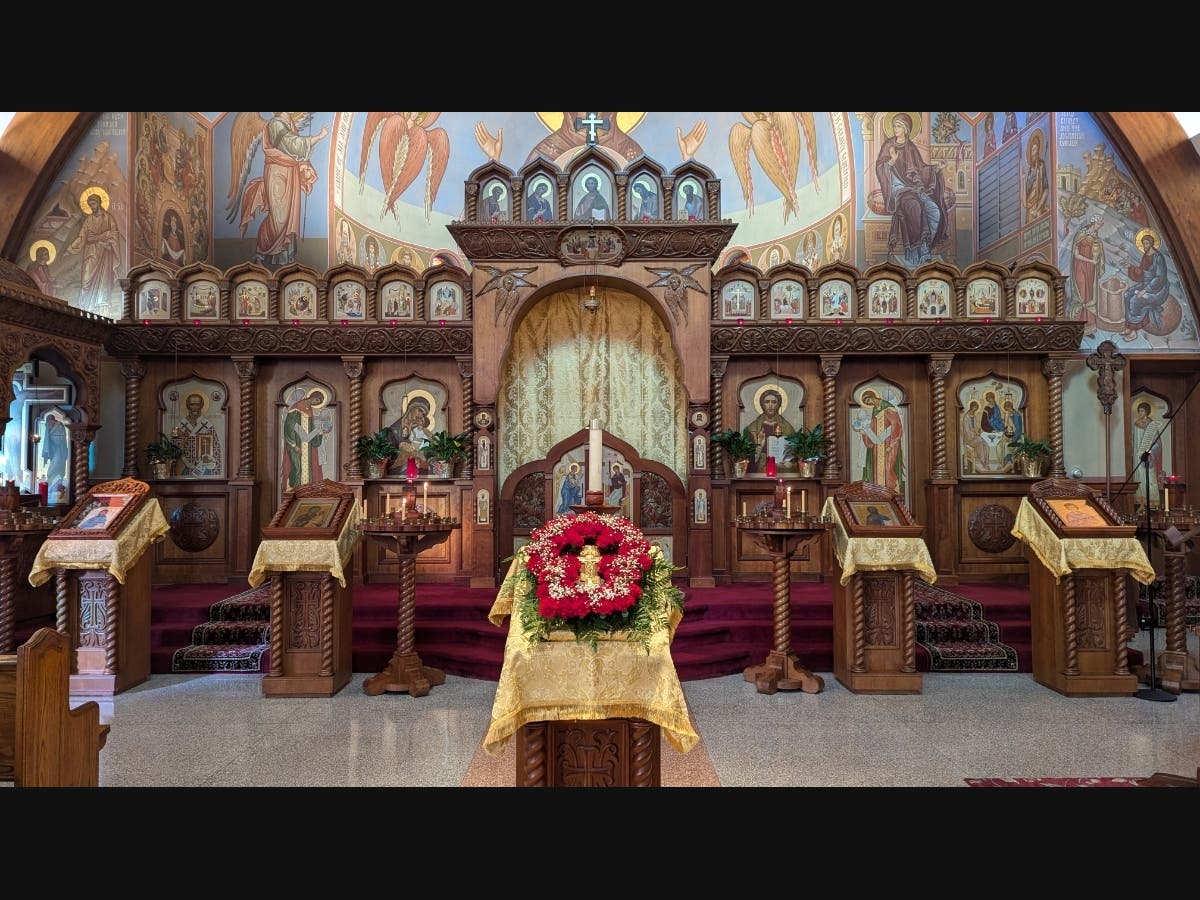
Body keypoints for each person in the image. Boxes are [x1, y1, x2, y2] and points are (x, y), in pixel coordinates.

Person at [226, 112, 330, 267]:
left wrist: (305, 169)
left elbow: (296, 153)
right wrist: (318, 137)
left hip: (291, 172)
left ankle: (284, 258)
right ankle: (260, 252)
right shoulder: (275, 124)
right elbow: (292, 145)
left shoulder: (290, 124)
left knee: (289, 216)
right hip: (277, 173)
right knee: (278, 217)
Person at [874, 113, 950, 267]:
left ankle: (926, 244)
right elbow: (879, 168)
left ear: (906, 129)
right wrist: (891, 162)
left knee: (934, 209)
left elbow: (921, 168)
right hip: (897, 190)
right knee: (915, 206)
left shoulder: (910, 147)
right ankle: (919, 251)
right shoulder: (888, 146)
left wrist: (936, 168)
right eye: (894, 126)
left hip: (914, 188)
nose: (895, 129)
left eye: (898, 126)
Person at [66, 189, 123, 316]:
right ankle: (84, 307)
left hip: (104, 255)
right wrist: (70, 248)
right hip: (91, 253)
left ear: (99, 203)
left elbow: (113, 234)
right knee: (85, 281)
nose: (91, 207)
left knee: (103, 281)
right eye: (89, 204)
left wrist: (98, 238)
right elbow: (82, 237)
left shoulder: (108, 218)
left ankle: (101, 309)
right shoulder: (88, 220)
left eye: (93, 204)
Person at [1122, 229, 1170, 341]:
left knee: (1134, 300)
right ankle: (1128, 326)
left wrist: (1145, 290)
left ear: (1152, 243)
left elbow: (1160, 277)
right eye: (1143, 243)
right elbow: (1142, 273)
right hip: (1145, 284)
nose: (1144, 246)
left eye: (1146, 243)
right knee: (1127, 294)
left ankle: (1134, 331)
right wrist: (1130, 267)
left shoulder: (1158, 257)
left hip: (1158, 289)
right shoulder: (1145, 255)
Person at [854, 389, 905, 494]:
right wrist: (864, 433)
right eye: (867, 403)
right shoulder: (875, 410)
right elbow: (873, 428)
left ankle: (891, 492)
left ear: (873, 396)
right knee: (876, 469)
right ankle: (878, 494)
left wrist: (891, 445)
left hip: (889, 443)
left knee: (888, 467)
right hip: (878, 446)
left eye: (869, 400)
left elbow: (897, 426)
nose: (869, 403)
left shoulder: (889, 408)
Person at [281, 389, 330, 492]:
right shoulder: (296, 408)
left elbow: (311, 433)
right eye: (316, 400)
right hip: (296, 444)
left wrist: (321, 433)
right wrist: (294, 445)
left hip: (307, 447)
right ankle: (293, 492)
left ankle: (306, 492)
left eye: (318, 403)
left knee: (309, 469)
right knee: (297, 467)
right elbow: (288, 427)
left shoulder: (310, 411)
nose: (316, 403)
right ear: (312, 396)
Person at [1068, 215, 1105, 336]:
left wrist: (1097, 257)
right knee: (1082, 293)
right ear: (1093, 223)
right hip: (1080, 266)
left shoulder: (1096, 238)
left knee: (1089, 294)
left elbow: (1098, 255)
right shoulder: (1081, 234)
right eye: (1098, 224)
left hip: (1091, 268)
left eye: (1100, 225)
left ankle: (1089, 326)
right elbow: (1076, 255)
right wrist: (1091, 261)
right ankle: (1077, 324)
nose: (1099, 227)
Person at [171, 392, 221, 477]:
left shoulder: (208, 425)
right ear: (188, 406)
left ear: (201, 406)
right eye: (192, 404)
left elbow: (215, 447)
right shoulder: (180, 425)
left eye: (197, 405)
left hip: (202, 467)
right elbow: (174, 447)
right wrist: (183, 441)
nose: (195, 407)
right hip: (183, 465)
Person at [746, 389, 796, 472]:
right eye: (767, 402)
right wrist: (759, 446)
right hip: (759, 469)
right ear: (762, 405)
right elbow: (747, 456)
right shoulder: (754, 427)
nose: (770, 405)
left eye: (774, 402)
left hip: (780, 469)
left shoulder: (787, 427)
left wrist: (787, 462)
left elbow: (794, 454)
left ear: (778, 405)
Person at [387, 396, 432, 474]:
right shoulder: (394, 429)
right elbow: (389, 455)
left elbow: (429, 447)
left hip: (418, 470)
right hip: (399, 472)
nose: (420, 415)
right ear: (411, 409)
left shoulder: (420, 429)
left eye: (423, 414)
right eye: (419, 410)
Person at [1132, 400, 1165, 507]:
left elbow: (1157, 443)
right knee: (1139, 477)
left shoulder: (1151, 425)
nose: (1140, 413)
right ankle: (1140, 503)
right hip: (1137, 457)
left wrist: (1149, 453)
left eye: (1142, 411)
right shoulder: (1136, 424)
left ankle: (1151, 503)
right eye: (1139, 411)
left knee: (1150, 477)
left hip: (1148, 457)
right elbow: (1133, 440)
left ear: (1147, 412)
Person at [1023, 130, 1049, 220]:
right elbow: (1026, 196)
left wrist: (1038, 208)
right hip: (1030, 208)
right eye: (1032, 150)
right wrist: (1023, 180)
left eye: (1036, 150)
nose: (1034, 153)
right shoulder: (1029, 172)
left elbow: (1046, 189)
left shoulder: (1041, 166)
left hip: (1039, 207)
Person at [41, 416, 69, 492]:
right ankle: (52, 488)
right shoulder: (51, 426)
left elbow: (60, 439)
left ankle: (56, 487)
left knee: (52, 471)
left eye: (49, 422)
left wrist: (50, 433)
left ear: (52, 420)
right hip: (54, 452)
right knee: (51, 472)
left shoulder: (60, 426)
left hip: (60, 452)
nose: (48, 424)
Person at [961, 400, 988, 474]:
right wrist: (975, 435)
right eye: (974, 407)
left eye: (976, 408)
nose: (975, 409)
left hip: (974, 437)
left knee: (985, 443)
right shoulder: (966, 417)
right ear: (971, 407)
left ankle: (986, 462)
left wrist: (978, 432)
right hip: (968, 439)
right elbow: (967, 431)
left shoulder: (974, 416)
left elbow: (975, 427)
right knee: (980, 441)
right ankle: (982, 462)